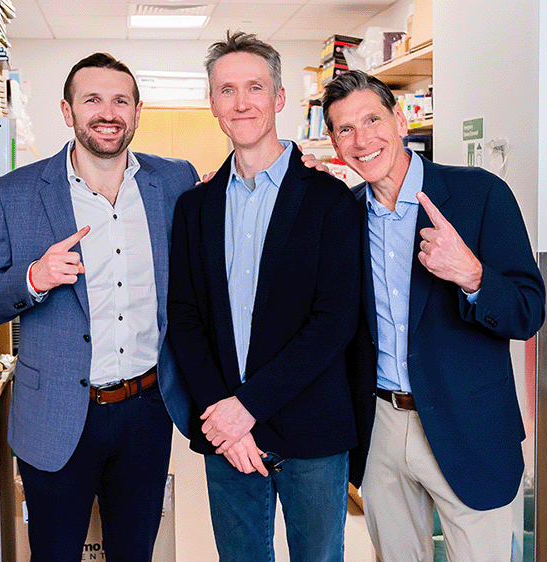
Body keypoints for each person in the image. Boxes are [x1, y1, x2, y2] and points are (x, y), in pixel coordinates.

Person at [0, 53, 199, 562]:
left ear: (137, 111)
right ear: (67, 111)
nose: (106, 112)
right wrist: (33, 278)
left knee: (134, 553)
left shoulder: (175, 182)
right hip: (55, 418)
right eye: (92, 100)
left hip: (146, 412)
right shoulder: (15, 194)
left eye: (120, 101)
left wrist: (297, 163)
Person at [322, 70, 546, 562]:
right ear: (336, 144)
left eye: (372, 120)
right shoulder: (344, 215)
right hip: (380, 425)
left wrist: (472, 275)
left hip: (468, 426)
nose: (362, 139)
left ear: (400, 121)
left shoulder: (479, 194)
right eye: (345, 129)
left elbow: (528, 312)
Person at [167, 31, 362, 562]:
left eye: (255, 87)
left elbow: (334, 321)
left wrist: (243, 409)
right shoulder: (194, 207)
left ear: (279, 98)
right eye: (226, 90)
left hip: (311, 428)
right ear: (212, 104)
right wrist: (222, 419)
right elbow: (184, 320)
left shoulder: (330, 200)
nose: (241, 101)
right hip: (227, 437)